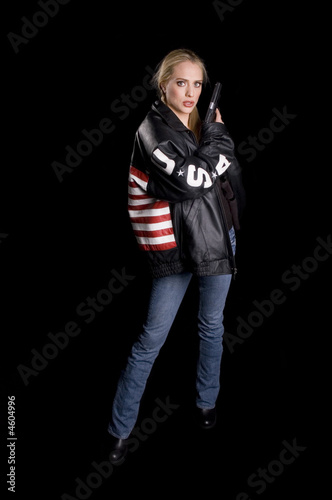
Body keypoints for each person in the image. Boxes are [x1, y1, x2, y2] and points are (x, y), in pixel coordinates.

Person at [107, 48, 245, 463]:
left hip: (218, 242)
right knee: (151, 339)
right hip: (177, 250)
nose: (190, 92)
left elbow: (227, 182)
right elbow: (191, 182)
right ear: (163, 82)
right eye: (181, 82)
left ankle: (206, 402)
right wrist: (220, 139)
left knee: (211, 326)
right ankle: (119, 430)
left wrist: (234, 227)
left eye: (197, 84)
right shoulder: (152, 130)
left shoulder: (202, 126)